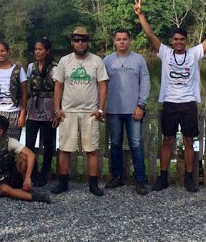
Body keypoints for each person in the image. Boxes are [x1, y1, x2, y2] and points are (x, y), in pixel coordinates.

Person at [134, 0, 206, 193]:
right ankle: (163, 178)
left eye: (182, 39)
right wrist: (140, 15)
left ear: (186, 41)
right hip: (170, 103)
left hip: (188, 103)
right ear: (172, 41)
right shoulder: (165, 53)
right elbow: (150, 34)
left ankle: (189, 178)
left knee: (189, 140)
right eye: (175, 39)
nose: (178, 42)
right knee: (167, 140)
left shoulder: (195, 53)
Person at [51, 26, 108, 197]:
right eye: (77, 40)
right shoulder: (64, 61)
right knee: (65, 149)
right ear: (72, 42)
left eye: (83, 40)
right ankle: (62, 182)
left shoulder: (97, 61)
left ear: (88, 42)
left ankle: (93, 184)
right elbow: (58, 85)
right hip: (68, 111)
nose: (80, 43)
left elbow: (103, 86)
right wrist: (57, 109)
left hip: (90, 112)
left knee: (91, 149)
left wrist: (100, 109)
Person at [103, 29, 150, 195]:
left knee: (136, 145)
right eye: (118, 39)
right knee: (114, 144)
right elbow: (101, 86)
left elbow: (145, 83)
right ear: (114, 41)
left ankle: (140, 180)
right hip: (113, 110)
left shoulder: (139, 60)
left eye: (124, 39)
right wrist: (102, 106)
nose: (122, 42)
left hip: (134, 110)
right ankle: (116, 177)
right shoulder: (107, 60)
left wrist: (141, 105)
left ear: (130, 41)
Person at [25, 38, 56, 187]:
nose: (37, 52)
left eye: (40, 49)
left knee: (48, 143)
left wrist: (57, 110)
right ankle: (32, 172)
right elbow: (28, 88)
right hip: (33, 108)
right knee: (29, 142)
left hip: (49, 108)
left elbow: (58, 89)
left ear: (47, 51)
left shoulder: (54, 68)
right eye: (36, 49)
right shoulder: (31, 67)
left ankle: (45, 173)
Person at [0, 41, 28, 141]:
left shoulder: (18, 70)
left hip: (13, 113)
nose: (0, 54)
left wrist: (23, 113)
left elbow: (24, 94)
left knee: (12, 144)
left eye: (2, 51)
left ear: (8, 52)